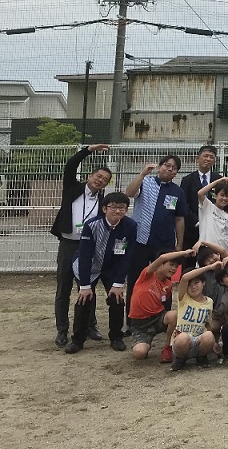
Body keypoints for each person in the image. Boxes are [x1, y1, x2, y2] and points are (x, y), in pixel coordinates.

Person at [50, 143, 111, 347]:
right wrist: (88, 149)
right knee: (64, 287)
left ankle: (89, 325)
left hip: (88, 248)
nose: (100, 181)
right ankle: (62, 329)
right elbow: (70, 165)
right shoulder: (73, 188)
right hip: (68, 243)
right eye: (98, 176)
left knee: (87, 286)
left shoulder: (102, 201)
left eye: (104, 180)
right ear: (89, 176)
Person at [65, 191, 137, 354]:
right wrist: (84, 285)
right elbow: (84, 256)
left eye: (122, 208)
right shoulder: (91, 225)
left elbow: (127, 256)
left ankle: (116, 337)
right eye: (113, 207)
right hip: (89, 265)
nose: (117, 211)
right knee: (84, 299)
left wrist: (118, 283)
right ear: (104, 209)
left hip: (112, 266)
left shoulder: (130, 226)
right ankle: (77, 339)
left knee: (117, 299)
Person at [124, 156, 186, 312]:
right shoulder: (146, 182)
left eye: (173, 168)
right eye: (167, 165)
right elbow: (130, 192)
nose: (169, 169)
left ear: (176, 173)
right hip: (140, 241)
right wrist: (142, 174)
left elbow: (179, 219)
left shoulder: (177, 191)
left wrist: (179, 244)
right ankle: (133, 318)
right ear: (160, 166)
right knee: (136, 279)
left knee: (164, 280)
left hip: (164, 244)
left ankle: (163, 317)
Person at [128, 248, 192, 361]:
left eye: (176, 266)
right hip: (140, 324)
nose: (174, 269)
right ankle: (144, 343)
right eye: (171, 264)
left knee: (173, 315)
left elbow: (162, 302)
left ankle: (168, 347)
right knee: (139, 353)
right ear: (160, 265)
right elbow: (162, 257)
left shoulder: (169, 284)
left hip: (158, 318)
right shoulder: (147, 274)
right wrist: (184, 252)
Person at [169, 261, 219, 371]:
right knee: (183, 337)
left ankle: (201, 357)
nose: (193, 287)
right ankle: (180, 359)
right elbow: (185, 278)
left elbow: (207, 323)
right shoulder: (183, 298)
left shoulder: (209, 301)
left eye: (196, 283)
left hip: (198, 341)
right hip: (182, 342)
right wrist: (209, 267)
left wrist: (214, 342)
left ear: (203, 283)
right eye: (190, 285)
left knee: (209, 335)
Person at [179, 145, 221, 254]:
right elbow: (184, 204)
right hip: (192, 229)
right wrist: (197, 221)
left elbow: (223, 202)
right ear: (197, 159)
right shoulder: (187, 180)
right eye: (205, 156)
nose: (208, 159)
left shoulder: (219, 179)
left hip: (214, 228)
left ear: (214, 161)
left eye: (211, 157)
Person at [196, 177, 228, 251]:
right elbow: (200, 193)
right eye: (222, 195)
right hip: (206, 251)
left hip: (222, 252)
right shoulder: (208, 206)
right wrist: (218, 181)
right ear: (215, 195)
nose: (224, 198)